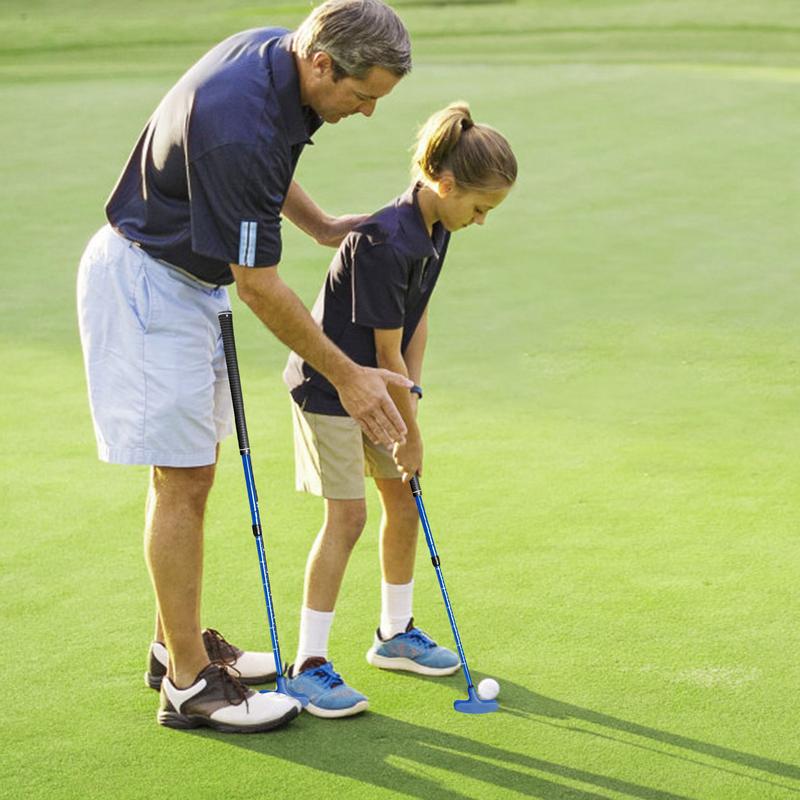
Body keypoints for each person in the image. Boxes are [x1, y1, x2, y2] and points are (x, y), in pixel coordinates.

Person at [76, 0, 413, 734]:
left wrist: (320, 225)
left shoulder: (276, 57)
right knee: (185, 477)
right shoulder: (243, 122)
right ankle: (191, 685)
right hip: (148, 285)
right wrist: (350, 378)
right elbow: (260, 283)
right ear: (322, 63)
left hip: (182, 283)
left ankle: (177, 643)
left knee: (190, 470)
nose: (365, 113)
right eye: (362, 97)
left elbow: (262, 175)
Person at [282, 102, 517, 717]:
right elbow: (383, 350)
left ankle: (394, 635)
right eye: (481, 208)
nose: (482, 221)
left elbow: (415, 327)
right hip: (329, 388)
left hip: (378, 382)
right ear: (446, 184)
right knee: (349, 517)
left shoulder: (437, 227)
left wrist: (414, 400)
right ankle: (306, 663)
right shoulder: (388, 240)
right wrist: (408, 435)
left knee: (403, 499)